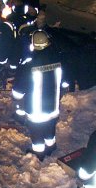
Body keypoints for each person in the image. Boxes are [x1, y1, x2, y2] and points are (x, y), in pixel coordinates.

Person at [12, 30, 62, 160]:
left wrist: (17, 103)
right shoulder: (57, 61)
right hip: (53, 107)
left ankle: (39, 152)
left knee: (37, 133)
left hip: (36, 111)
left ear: (33, 45)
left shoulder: (29, 65)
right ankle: (51, 146)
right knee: (50, 128)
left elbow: (18, 91)